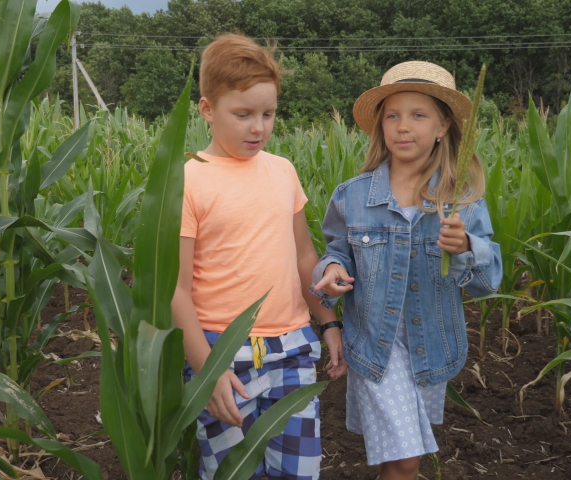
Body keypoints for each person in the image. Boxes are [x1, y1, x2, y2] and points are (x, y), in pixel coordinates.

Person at [311, 61, 503, 480]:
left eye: (418, 115)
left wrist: (468, 248)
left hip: (430, 347)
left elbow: (488, 286)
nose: (403, 126)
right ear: (380, 126)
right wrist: (331, 273)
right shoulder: (353, 196)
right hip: (375, 348)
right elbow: (336, 254)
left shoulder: (462, 202)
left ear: (442, 126)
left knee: (400, 463)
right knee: (407, 458)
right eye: (393, 115)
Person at [172, 33, 348, 480]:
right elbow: (176, 290)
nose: (258, 127)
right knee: (233, 473)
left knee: (300, 471)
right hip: (221, 355)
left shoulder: (282, 170)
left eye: (268, 114)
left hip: (291, 350)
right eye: (243, 114)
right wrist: (206, 372)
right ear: (207, 109)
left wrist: (327, 322)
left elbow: (303, 254)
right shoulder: (187, 181)